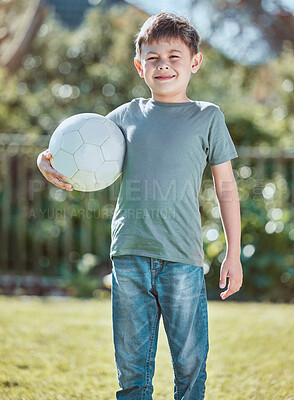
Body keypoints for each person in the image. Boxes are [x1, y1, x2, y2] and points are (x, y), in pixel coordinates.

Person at [37, 11, 243, 400]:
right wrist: (43, 162)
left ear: (194, 62)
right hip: (129, 256)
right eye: (153, 57)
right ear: (139, 65)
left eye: (174, 56)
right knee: (132, 371)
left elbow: (226, 186)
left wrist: (233, 252)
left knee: (190, 367)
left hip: (182, 258)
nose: (163, 64)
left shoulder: (208, 117)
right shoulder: (123, 117)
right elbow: (73, 150)